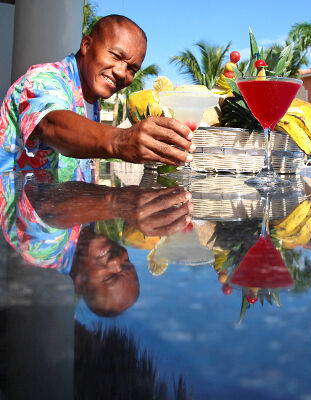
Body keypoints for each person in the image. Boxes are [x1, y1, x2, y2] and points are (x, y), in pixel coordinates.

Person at [0, 14, 194, 172]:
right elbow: (51, 124)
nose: (121, 72)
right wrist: (120, 140)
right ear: (86, 45)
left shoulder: (92, 97)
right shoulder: (43, 78)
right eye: (116, 56)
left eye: (132, 69)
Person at [0, 167, 193, 316]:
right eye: (127, 264)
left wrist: (117, 203)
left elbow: (47, 207)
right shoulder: (89, 223)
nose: (117, 261)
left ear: (78, 284)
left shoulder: (43, 253)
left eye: (109, 277)